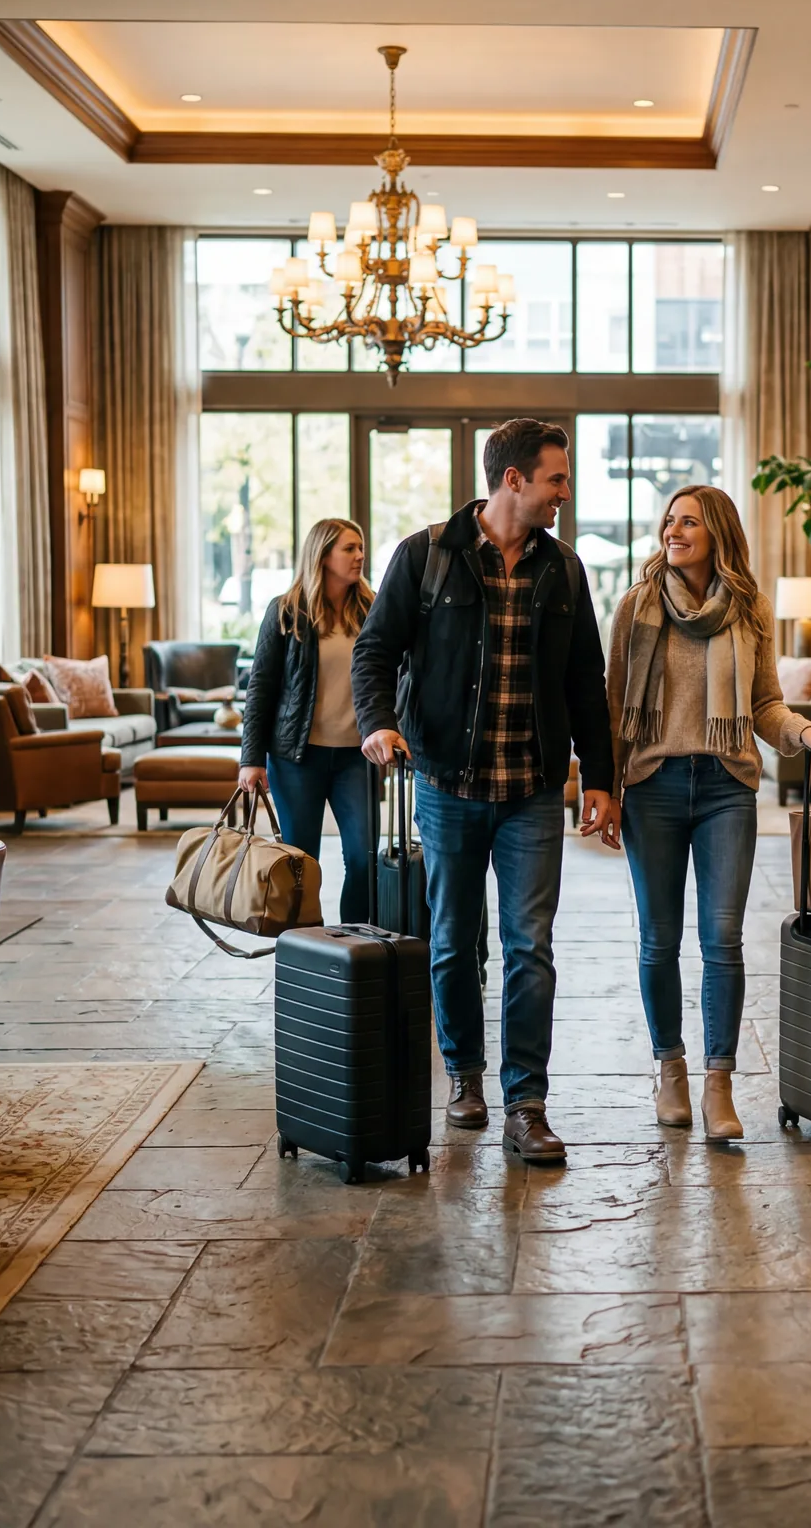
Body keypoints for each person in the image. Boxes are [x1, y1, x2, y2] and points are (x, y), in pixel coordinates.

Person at [351, 418, 618, 1166]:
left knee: (530, 946)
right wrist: (376, 724)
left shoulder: (564, 570)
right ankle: (464, 1077)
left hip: (532, 789)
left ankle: (526, 1104)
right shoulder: (426, 556)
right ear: (513, 480)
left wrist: (600, 777)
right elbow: (374, 652)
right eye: (556, 480)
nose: (565, 493)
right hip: (447, 785)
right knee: (451, 943)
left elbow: (585, 683)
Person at [609, 486, 811, 1140]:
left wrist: (802, 733)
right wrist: (602, 788)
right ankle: (670, 1070)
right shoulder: (635, 607)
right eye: (670, 520)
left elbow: (764, 704)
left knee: (722, 939)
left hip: (726, 786)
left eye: (688, 522)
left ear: (717, 534)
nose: (673, 531)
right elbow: (613, 704)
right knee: (659, 939)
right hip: (651, 784)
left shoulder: (749, 609)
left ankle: (718, 1084)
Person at [238, 518, 373, 924]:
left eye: (361, 547)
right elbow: (260, 688)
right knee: (299, 866)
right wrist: (251, 758)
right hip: (297, 758)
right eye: (349, 548)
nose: (359, 556)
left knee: (365, 858)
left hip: (357, 757)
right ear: (323, 554)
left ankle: (356, 947)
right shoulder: (285, 612)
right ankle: (305, 954)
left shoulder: (373, 608)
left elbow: (396, 676)